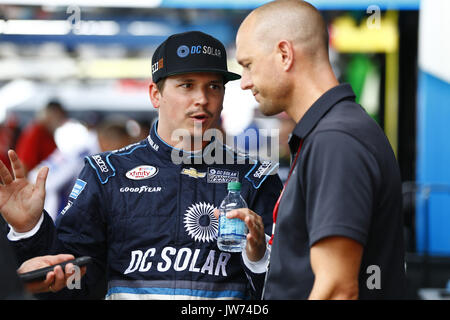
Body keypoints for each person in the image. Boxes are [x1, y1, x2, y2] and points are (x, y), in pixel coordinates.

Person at [0, 31, 283, 300]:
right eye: (187, 85)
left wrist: (258, 260)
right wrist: (30, 230)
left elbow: (289, 284)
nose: (203, 99)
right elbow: (74, 282)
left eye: (214, 86)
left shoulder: (255, 178)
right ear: (155, 95)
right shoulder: (107, 173)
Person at [234, 0, 406, 299]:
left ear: (284, 54)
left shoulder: (335, 140)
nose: (244, 83)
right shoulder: (329, 133)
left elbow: (337, 288)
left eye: (248, 65)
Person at [15, 100, 67, 174]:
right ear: (49, 115)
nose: (60, 122)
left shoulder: (49, 134)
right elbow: (24, 164)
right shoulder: (35, 132)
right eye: (58, 117)